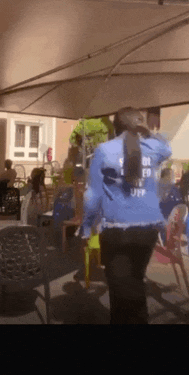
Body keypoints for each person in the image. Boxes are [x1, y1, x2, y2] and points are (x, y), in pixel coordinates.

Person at [79, 107, 172, 324]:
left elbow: (93, 193)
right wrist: (146, 131)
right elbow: (166, 148)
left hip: (117, 231)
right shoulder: (151, 147)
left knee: (121, 291)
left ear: (115, 127)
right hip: (147, 231)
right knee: (135, 283)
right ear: (138, 125)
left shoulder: (104, 150)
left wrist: (86, 225)